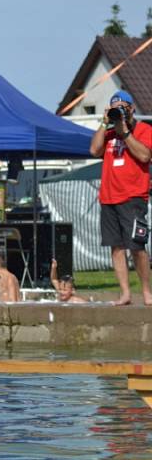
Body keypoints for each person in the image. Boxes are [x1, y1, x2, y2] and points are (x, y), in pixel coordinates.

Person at [89, 90, 152, 306]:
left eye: (123, 108)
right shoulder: (108, 133)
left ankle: (146, 292)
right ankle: (125, 293)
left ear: (132, 109)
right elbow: (94, 150)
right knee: (116, 247)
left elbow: (144, 155)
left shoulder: (144, 130)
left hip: (133, 197)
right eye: (116, 108)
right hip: (108, 197)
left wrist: (125, 131)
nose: (120, 112)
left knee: (137, 246)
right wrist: (104, 123)